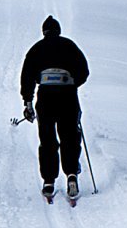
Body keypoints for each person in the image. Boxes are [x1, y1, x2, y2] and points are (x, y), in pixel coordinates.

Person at [19, 15, 89, 203]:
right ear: (58, 30)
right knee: (69, 137)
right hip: (67, 97)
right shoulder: (69, 46)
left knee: (47, 139)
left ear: (44, 32)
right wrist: (73, 83)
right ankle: (72, 175)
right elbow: (84, 71)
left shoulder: (36, 49)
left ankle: (49, 181)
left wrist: (27, 102)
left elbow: (27, 78)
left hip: (46, 98)